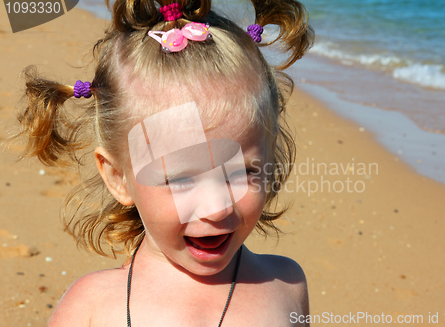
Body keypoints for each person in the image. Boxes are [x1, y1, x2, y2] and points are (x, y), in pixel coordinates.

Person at [16, 0, 314, 325]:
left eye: (244, 172)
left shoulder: (285, 285)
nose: (216, 208)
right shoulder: (93, 306)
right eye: (181, 179)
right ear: (118, 177)